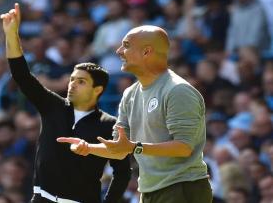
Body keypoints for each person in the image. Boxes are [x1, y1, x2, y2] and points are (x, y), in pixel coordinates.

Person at [58, 25, 212, 203]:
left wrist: (135, 147)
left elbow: (184, 148)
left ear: (147, 52)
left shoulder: (178, 91)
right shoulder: (130, 93)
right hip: (150, 190)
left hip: (184, 188)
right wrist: (87, 148)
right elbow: (119, 149)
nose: (119, 50)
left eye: (126, 45)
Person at [0, 3, 131, 203]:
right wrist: (11, 34)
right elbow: (22, 76)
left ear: (98, 90)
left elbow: (122, 173)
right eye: (71, 79)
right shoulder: (53, 105)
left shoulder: (110, 125)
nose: (72, 85)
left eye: (81, 82)